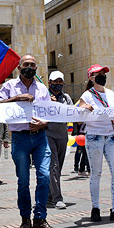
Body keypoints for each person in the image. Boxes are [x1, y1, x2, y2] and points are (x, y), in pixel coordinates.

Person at [0, 54, 58, 228]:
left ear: (36, 69)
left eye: (32, 65)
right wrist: (17, 98)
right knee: (23, 181)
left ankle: (40, 218)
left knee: (44, 176)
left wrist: (43, 123)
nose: (29, 67)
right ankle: (25, 219)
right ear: (19, 68)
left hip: (40, 137)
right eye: (26, 64)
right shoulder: (9, 86)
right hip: (20, 138)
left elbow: (50, 112)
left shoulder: (42, 89)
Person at [78, 64, 114, 222]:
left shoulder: (111, 93)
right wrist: (84, 107)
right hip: (94, 136)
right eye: (99, 73)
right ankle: (95, 208)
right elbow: (80, 107)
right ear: (91, 77)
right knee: (96, 173)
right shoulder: (87, 95)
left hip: (111, 136)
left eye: (103, 73)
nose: (102, 75)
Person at [46, 71, 73, 209]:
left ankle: (49, 195)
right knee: (54, 166)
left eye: (60, 81)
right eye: (55, 82)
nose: (57, 84)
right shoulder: (44, 97)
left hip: (62, 136)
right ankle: (58, 198)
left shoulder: (66, 97)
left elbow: (71, 113)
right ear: (49, 83)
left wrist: (60, 107)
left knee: (58, 167)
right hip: (48, 134)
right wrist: (49, 103)